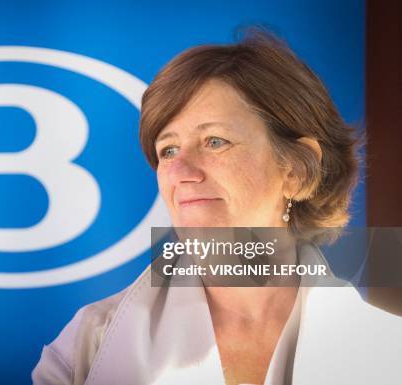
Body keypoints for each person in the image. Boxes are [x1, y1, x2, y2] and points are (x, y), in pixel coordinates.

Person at [31, 30, 402, 385]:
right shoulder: (84, 350)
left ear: (297, 170)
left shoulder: (388, 354)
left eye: (214, 141)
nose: (179, 172)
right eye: (168, 150)